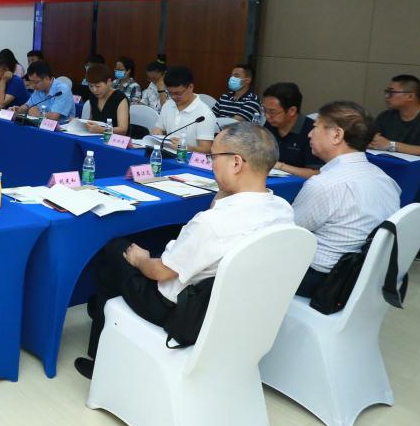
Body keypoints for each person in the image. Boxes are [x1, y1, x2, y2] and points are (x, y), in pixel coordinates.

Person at [74, 122, 294, 378]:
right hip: (240, 310)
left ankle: (100, 360)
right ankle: (99, 307)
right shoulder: (283, 209)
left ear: (236, 163)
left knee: (116, 250)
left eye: (214, 157)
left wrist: (140, 260)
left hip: (182, 312)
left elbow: (159, 272)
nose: (211, 164)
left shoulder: (212, 224)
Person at [292, 101, 401, 297]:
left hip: (323, 280)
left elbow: (290, 232)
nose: (309, 134)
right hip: (364, 277)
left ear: (336, 135)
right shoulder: (386, 179)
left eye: (315, 127)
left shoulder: (325, 184)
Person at [370, 74, 420, 259]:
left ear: (410, 96)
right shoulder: (386, 117)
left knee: (392, 199)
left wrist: (390, 145)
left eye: (391, 92)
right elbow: (372, 140)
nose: (387, 96)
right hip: (389, 175)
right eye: (386, 92)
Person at [150, 65, 217, 153]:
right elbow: (159, 128)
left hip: (189, 158)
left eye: (178, 93)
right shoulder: (168, 105)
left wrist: (184, 147)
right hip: (168, 154)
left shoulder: (204, 114)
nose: (173, 97)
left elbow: (206, 150)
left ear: (190, 87)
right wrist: (157, 132)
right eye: (170, 93)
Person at [261, 82, 321, 179]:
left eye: (272, 112)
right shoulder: (270, 124)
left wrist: (280, 166)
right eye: (264, 110)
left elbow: (316, 173)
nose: (267, 116)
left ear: (292, 111)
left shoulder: (312, 132)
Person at [80, 64, 130, 135]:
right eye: (91, 86)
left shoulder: (120, 98)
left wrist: (102, 130)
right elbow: (92, 120)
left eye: (98, 86)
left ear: (109, 82)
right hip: (96, 136)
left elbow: (123, 130)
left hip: (115, 139)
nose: (94, 90)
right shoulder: (93, 96)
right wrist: (78, 123)